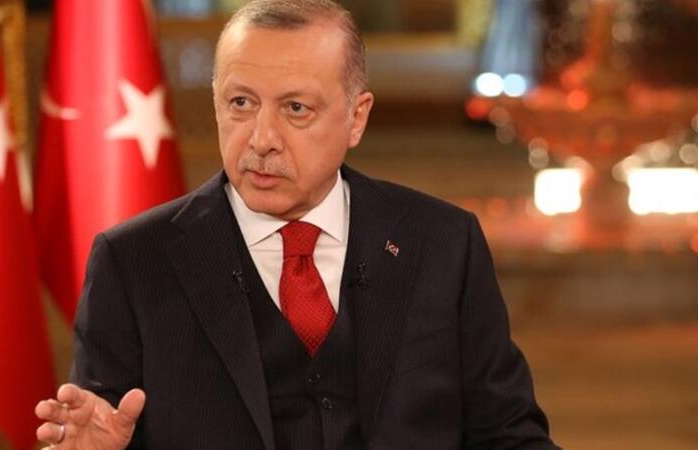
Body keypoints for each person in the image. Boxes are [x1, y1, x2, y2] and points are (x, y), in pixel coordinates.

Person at [36, 1, 560, 449]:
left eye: (295, 108)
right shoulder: (133, 262)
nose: (262, 138)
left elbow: (508, 435)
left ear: (356, 118)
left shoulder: (442, 243)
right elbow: (103, 428)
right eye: (241, 103)